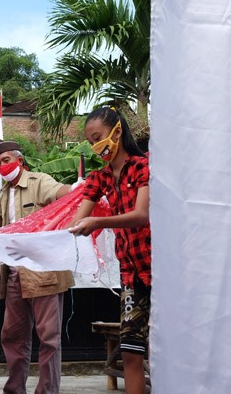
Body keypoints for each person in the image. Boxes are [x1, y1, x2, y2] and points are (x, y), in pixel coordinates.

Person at [0, 138, 76, 394]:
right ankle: (15, 389)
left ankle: (47, 391)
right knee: (12, 336)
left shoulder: (39, 182)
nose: (2, 166)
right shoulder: (4, 194)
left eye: (6, 160)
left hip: (44, 273)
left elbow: (60, 191)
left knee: (49, 338)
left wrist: (78, 188)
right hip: (15, 275)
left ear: (19, 160)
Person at [67, 107, 150, 394]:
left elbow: (141, 215)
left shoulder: (142, 167)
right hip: (131, 274)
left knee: (167, 347)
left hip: (161, 269)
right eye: (90, 141)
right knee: (130, 351)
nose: (95, 146)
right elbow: (76, 221)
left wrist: (98, 222)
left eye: (98, 137)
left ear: (117, 132)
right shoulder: (99, 178)